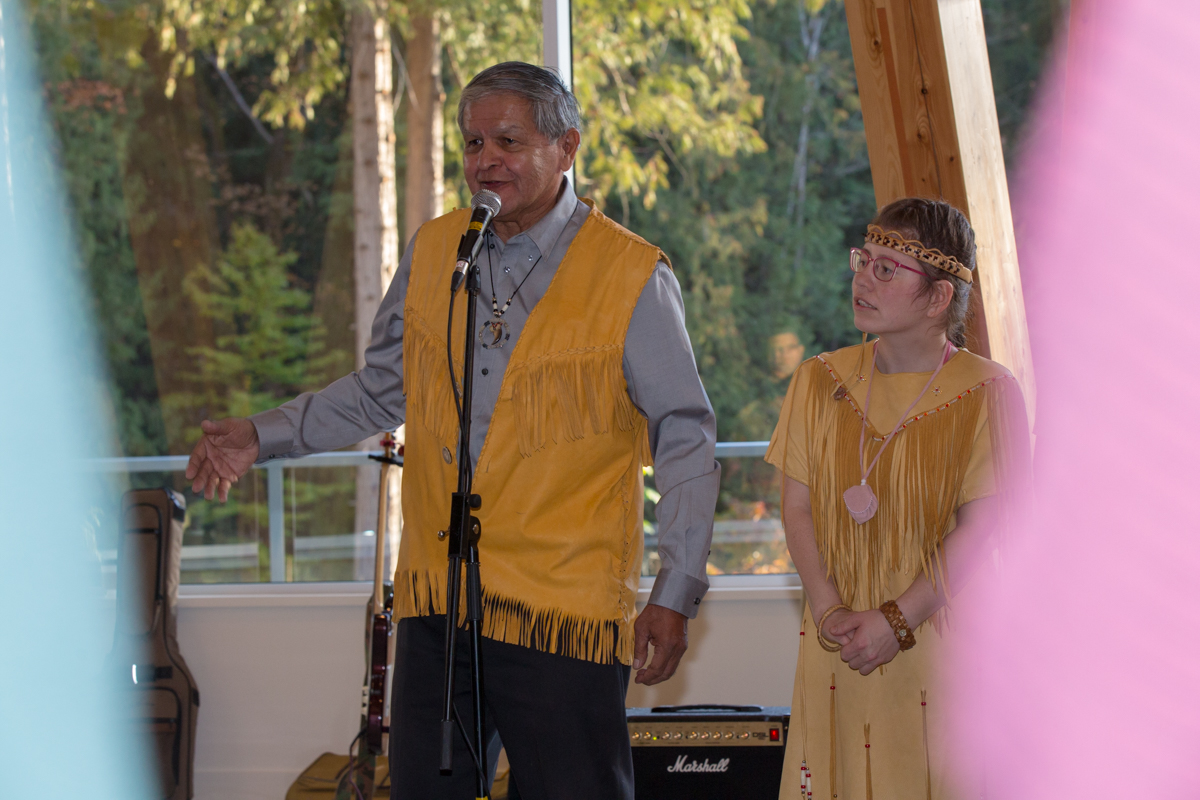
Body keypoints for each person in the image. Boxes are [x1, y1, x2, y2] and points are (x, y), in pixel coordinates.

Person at [184, 62, 720, 799]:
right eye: (472, 143)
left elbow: (685, 436)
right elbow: (382, 389)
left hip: (560, 611)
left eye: (508, 141)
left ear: (566, 147)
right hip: (440, 602)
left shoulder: (632, 272)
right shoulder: (438, 249)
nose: (485, 159)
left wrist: (676, 587)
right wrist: (261, 434)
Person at [766, 198, 1029, 799]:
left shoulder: (988, 391)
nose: (863, 278)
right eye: (863, 260)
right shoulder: (819, 380)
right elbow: (797, 508)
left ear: (938, 298)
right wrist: (830, 612)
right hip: (838, 644)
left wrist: (895, 621)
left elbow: (981, 528)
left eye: (886, 269)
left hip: (940, 643)